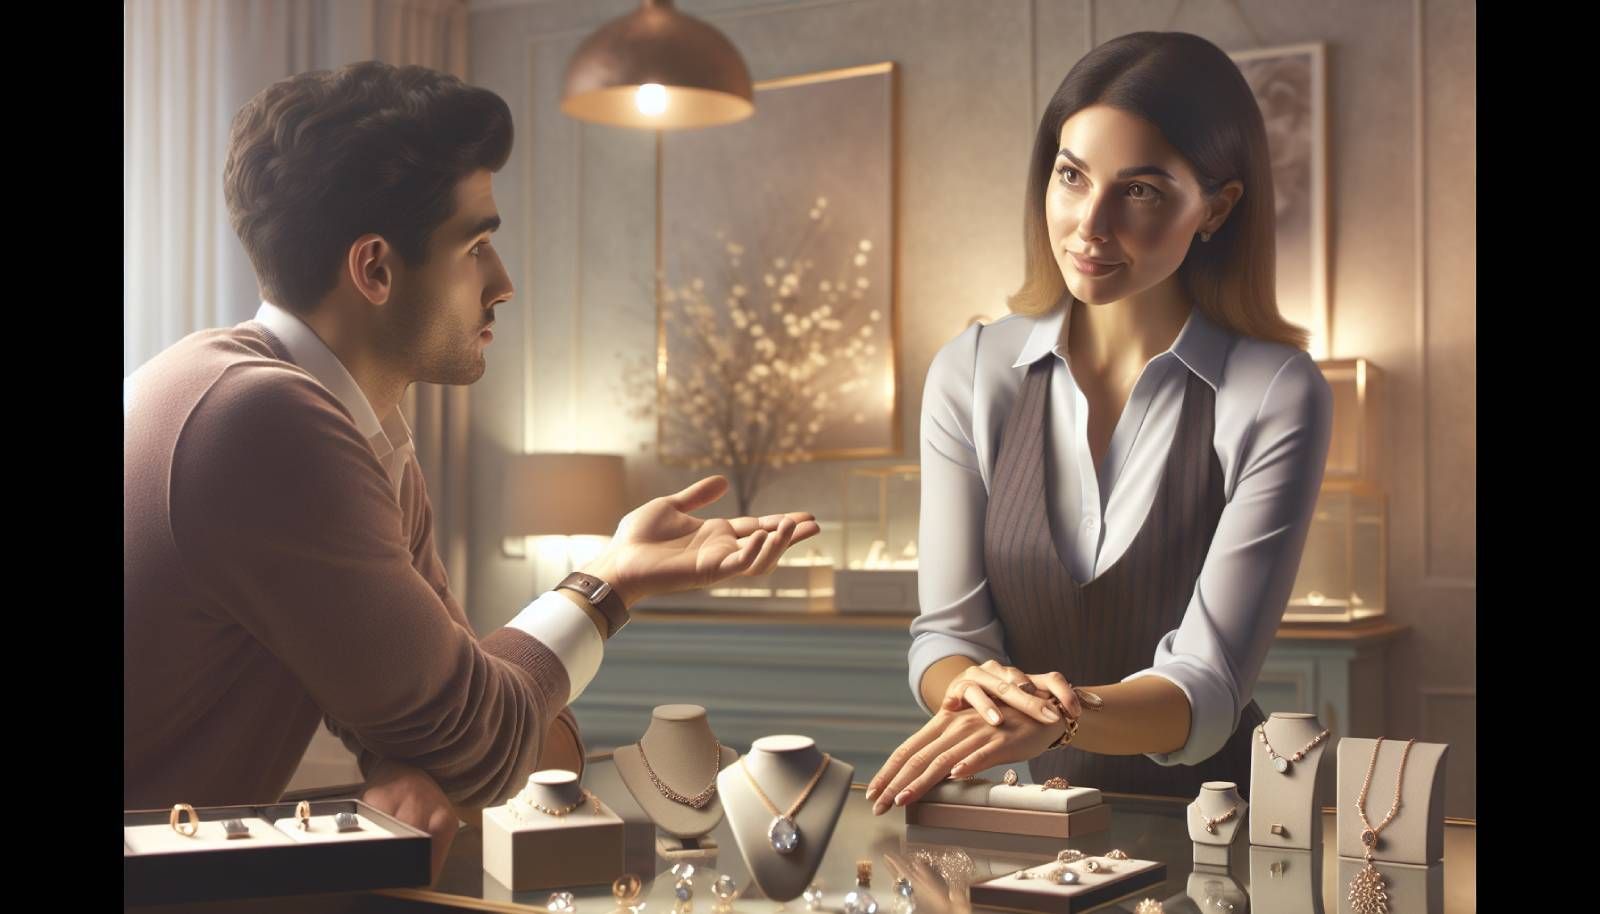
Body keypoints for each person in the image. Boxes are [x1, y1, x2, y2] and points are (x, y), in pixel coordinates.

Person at [123, 60, 819, 878]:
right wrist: (609, 585)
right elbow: (482, 742)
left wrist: (430, 747)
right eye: (477, 244)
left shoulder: (350, 423)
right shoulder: (260, 424)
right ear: (375, 268)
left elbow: (461, 724)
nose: (504, 283)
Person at [866, 32, 1332, 813]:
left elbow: (1207, 682)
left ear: (1215, 208)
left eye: (1141, 191)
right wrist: (982, 692)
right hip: (1035, 820)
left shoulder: (1276, 392)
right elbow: (947, 639)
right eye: (1072, 176)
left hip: (1219, 828)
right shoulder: (973, 371)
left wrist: (1057, 718)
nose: (1090, 224)